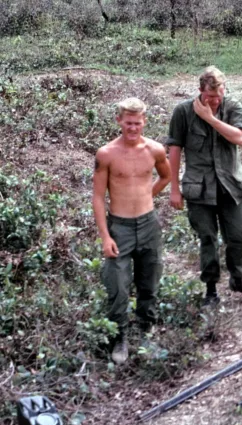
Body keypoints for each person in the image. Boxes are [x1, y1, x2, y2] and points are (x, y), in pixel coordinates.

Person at [167, 66, 242, 307]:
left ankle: (238, 279)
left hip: (231, 185)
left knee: (239, 234)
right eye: (209, 97)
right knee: (208, 238)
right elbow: (175, 149)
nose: (214, 100)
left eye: (218, 95)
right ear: (200, 91)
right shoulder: (183, 112)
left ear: (224, 89)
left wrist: (210, 118)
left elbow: (240, 138)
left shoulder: (233, 107)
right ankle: (210, 289)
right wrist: (174, 188)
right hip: (199, 188)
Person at [92, 97, 171, 364]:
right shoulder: (106, 154)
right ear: (119, 121)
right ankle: (120, 338)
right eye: (128, 123)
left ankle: (146, 330)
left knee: (149, 282)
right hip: (120, 227)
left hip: (149, 224)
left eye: (137, 123)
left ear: (144, 121)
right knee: (118, 286)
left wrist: (148, 196)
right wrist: (105, 236)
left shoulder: (156, 150)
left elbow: (167, 175)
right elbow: (97, 197)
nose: (133, 128)